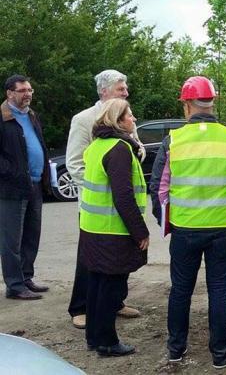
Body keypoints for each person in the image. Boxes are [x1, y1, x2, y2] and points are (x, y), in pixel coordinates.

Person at [149, 76, 226, 369]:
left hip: (185, 229)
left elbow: (159, 189)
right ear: (212, 102)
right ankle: (221, 353)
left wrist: (165, 222)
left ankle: (175, 349)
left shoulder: (174, 140)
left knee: (180, 289)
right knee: (219, 287)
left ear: (186, 105)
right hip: (223, 228)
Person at [66, 70, 142, 329]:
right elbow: (75, 164)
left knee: (120, 258)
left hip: (121, 207)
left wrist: (137, 153)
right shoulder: (84, 119)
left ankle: (115, 302)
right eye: (121, 89)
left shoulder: (123, 116)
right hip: (97, 209)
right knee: (90, 260)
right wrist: (103, 186)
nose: (126, 92)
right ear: (104, 91)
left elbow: (136, 149)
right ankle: (80, 307)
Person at [79, 99, 149, 357]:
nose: (133, 119)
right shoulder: (119, 149)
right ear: (118, 122)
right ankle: (107, 342)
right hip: (112, 232)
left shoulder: (97, 146)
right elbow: (123, 196)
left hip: (92, 229)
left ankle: (94, 337)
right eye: (129, 115)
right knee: (111, 288)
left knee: (97, 284)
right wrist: (140, 232)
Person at [0, 75, 50, 300]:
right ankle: (14, 285)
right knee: (12, 240)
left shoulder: (31, 115)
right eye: (22, 90)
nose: (28, 94)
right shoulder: (3, 118)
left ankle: (26, 277)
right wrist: (13, 172)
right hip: (11, 187)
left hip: (35, 184)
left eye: (30, 90)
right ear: (10, 93)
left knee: (32, 234)